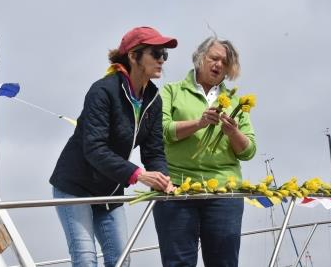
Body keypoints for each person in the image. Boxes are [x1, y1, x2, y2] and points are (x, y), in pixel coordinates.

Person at [49, 26, 176, 267]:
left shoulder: (153, 100)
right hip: (75, 185)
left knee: (120, 260)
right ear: (133, 55)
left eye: (164, 55)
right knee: (86, 260)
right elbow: (94, 148)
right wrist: (138, 174)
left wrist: (164, 179)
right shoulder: (103, 90)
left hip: (109, 189)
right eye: (156, 53)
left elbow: (154, 151)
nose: (162, 60)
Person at [153, 37, 256, 267]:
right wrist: (198, 123)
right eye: (214, 58)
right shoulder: (171, 91)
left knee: (224, 263)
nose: (219, 65)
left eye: (225, 62)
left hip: (223, 192)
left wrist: (233, 133)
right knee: (178, 263)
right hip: (177, 189)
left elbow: (248, 151)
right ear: (200, 58)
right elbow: (160, 131)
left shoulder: (236, 102)